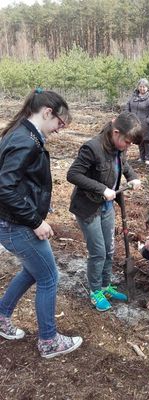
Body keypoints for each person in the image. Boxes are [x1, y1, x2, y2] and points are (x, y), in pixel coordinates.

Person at [0, 89, 83, 359]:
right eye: (60, 123)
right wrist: (36, 221)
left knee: (34, 271)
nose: (59, 129)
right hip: (18, 225)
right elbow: (5, 188)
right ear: (48, 112)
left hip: (12, 222)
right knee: (49, 276)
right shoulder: (26, 140)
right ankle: (48, 341)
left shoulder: (21, 133)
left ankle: (1, 315)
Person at [67, 112, 143, 312]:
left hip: (107, 206)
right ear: (115, 132)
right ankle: (95, 291)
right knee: (98, 251)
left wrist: (132, 177)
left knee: (109, 249)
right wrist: (101, 189)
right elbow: (73, 174)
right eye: (127, 142)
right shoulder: (92, 148)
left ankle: (105, 285)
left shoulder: (119, 148)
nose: (128, 146)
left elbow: (123, 165)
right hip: (88, 207)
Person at [125, 78, 149, 165]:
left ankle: (148, 158)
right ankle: (141, 157)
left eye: (144, 87)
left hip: (147, 124)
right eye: (140, 87)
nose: (142, 88)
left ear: (147, 87)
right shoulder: (134, 95)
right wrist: (129, 116)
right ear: (138, 87)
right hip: (136, 122)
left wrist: (148, 120)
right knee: (139, 140)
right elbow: (128, 106)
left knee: (147, 141)